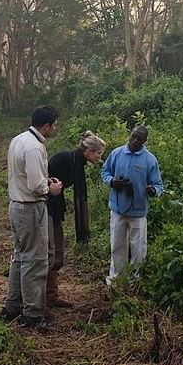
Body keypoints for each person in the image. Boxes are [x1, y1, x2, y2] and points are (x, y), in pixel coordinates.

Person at [0, 105, 63, 331]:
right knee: (35, 261)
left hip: (16, 205)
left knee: (20, 258)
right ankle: (33, 314)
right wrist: (52, 188)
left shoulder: (19, 139)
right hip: (30, 208)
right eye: (54, 125)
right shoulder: (35, 148)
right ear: (45, 126)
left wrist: (44, 181)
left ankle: (13, 306)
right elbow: (36, 186)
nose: (55, 128)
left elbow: (25, 175)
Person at [46, 130, 107, 308]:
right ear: (88, 151)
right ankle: (42, 297)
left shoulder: (77, 163)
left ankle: (51, 296)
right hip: (46, 208)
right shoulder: (65, 159)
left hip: (55, 208)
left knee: (57, 252)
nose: (99, 158)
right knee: (50, 252)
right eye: (98, 153)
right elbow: (43, 178)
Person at [101, 124, 163, 285]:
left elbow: (158, 185)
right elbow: (105, 172)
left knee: (138, 249)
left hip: (138, 211)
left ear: (145, 141)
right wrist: (112, 182)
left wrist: (153, 191)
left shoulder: (150, 160)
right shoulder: (117, 153)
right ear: (130, 134)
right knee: (117, 245)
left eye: (139, 139)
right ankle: (115, 280)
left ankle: (135, 282)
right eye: (133, 136)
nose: (135, 140)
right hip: (118, 209)